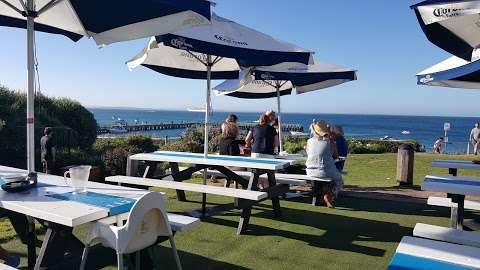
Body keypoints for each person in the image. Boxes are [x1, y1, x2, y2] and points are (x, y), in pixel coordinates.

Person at [306, 121, 343, 208]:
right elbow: (336, 156)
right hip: (325, 171)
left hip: (310, 172)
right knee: (339, 180)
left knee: (322, 178)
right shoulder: (330, 142)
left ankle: (321, 196)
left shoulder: (309, 141)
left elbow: (309, 154)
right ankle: (329, 195)